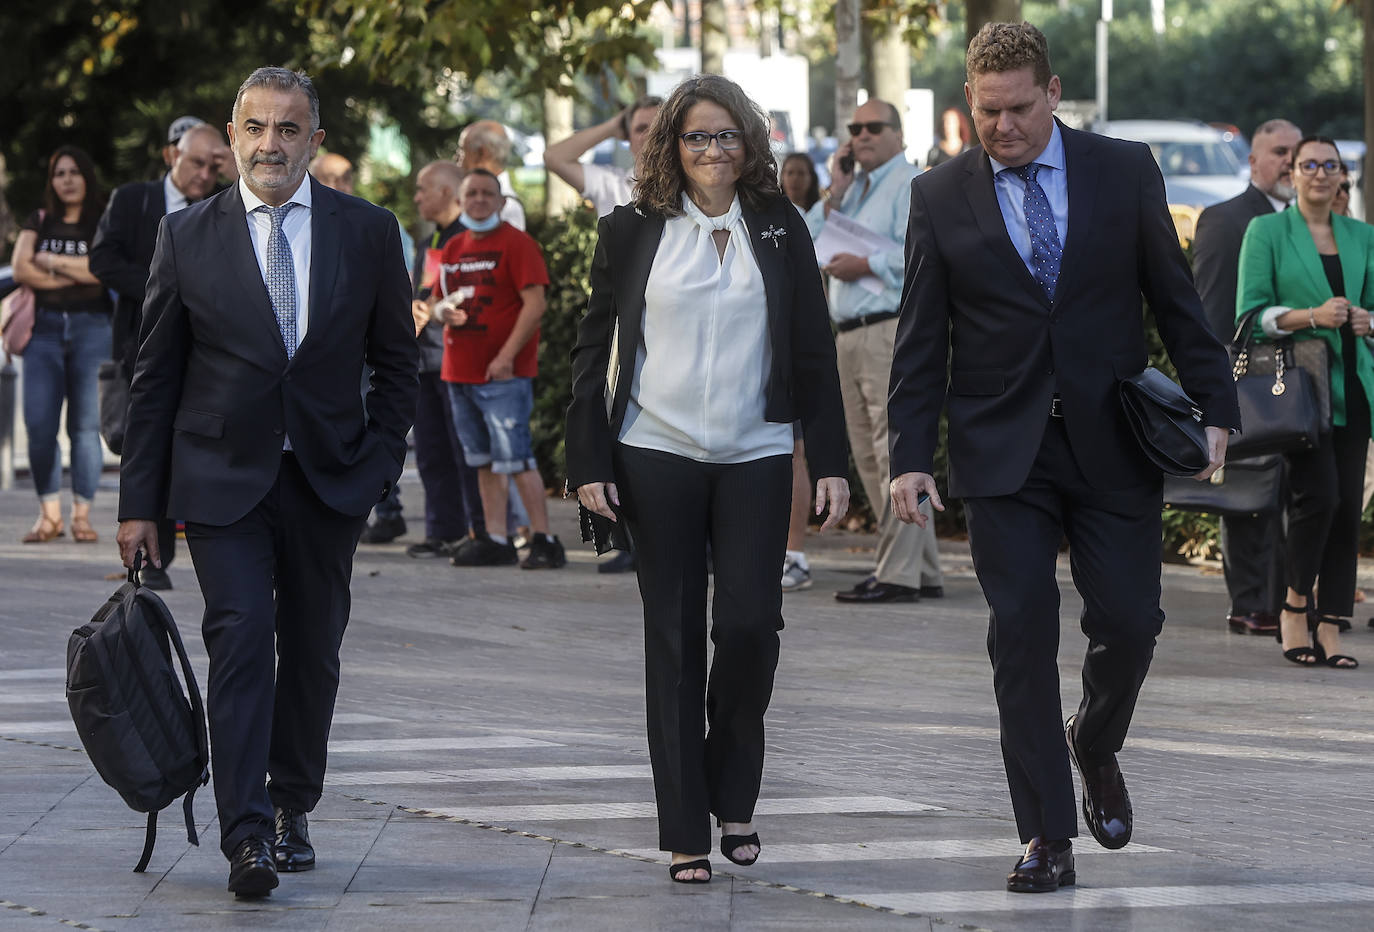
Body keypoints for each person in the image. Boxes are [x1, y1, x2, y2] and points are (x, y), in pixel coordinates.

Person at [889, 22, 1238, 893]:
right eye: (986, 110)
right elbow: (920, 340)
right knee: (1022, 634)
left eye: (1018, 108)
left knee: (1130, 622)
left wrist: (1217, 408)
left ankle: (1097, 740)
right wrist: (908, 455)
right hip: (1001, 451)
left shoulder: (1125, 169)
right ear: (970, 100)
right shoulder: (938, 195)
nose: (1002, 127)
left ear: (1052, 92)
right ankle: (1045, 834)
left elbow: (1174, 295)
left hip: (1112, 440)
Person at [115, 67, 416, 898]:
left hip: (331, 481)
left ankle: (293, 804)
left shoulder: (368, 231)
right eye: (256, 127)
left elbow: (397, 367)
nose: (271, 144)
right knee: (241, 636)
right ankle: (244, 833)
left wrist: (380, 463)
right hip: (220, 481)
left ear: (315, 141)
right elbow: (155, 379)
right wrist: (139, 504)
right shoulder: (188, 236)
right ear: (232, 135)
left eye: (289, 129)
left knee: (313, 649)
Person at [567, 74, 849, 884]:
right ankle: (688, 826)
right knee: (675, 637)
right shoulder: (630, 229)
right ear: (672, 147)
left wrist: (827, 461)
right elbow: (596, 350)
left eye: (727, 136)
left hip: (756, 453)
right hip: (655, 452)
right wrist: (586, 462)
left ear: (749, 143)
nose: (714, 151)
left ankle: (736, 788)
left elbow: (810, 349)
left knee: (753, 627)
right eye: (697, 137)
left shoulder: (779, 227)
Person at [1237, 136, 1374, 671]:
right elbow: (1251, 315)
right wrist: (1312, 315)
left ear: (1343, 176)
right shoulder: (1267, 231)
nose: (1320, 173)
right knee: (1318, 497)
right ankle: (1295, 606)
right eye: (1308, 164)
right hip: (1299, 390)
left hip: (1355, 390)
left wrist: (1366, 321)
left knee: (1345, 508)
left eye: (1330, 165)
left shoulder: (1362, 236)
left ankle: (1332, 622)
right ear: (1292, 174)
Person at [805, 98, 944, 604]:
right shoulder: (855, 189)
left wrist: (867, 266)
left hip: (887, 329)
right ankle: (922, 570)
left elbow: (922, 255)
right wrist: (835, 193)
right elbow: (808, 244)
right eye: (854, 128)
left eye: (872, 127)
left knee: (892, 454)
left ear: (898, 135)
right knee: (867, 454)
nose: (860, 136)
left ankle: (897, 573)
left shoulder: (909, 183)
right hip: (847, 332)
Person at [90, 120, 226, 587]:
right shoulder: (133, 200)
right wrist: (157, 290)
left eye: (214, 165)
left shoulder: (220, 208)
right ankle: (151, 556)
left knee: (183, 441)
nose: (204, 174)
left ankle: (174, 550)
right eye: (196, 163)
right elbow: (102, 258)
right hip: (140, 342)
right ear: (172, 156)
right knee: (146, 438)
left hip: (202, 350)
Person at [1192, 119, 1302, 637]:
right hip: (1246, 381)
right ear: (1253, 161)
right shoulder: (1226, 219)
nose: (1289, 161)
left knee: (1294, 494)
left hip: (1303, 383)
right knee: (1249, 495)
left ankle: (1290, 600)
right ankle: (1251, 602)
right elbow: (1211, 315)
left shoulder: (1309, 222)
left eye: (1296, 152)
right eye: (1279, 151)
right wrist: (1217, 390)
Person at [434, 168, 564, 570]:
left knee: (517, 458)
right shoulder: (453, 246)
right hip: (459, 371)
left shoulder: (517, 244)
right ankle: (494, 538)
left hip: (503, 374)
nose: (478, 200)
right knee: (483, 460)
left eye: (487, 194)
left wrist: (507, 355)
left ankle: (544, 538)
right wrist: (443, 313)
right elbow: (436, 302)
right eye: (471, 193)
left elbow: (536, 304)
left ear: (501, 201)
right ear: (460, 200)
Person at [10, 146, 111, 545]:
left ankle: (82, 516)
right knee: (39, 425)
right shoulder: (38, 219)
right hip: (43, 331)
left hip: (93, 329)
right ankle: (49, 515)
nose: (66, 180)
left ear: (87, 176)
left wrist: (50, 262)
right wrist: (76, 274)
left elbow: (104, 272)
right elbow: (20, 268)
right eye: (59, 174)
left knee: (85, 428)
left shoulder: (103, 220)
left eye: (73, 172)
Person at [407, 159, 485, 556]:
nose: (417, 197)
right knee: (432, 451)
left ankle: (477, 531)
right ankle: (442, 529)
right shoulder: (430, 241)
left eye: (423, 189)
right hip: (424, 361)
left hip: (458, 359)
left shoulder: (472, 237)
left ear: (444, 191)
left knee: (464, 450)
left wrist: (431, 308)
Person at [778, 149, 824, 591]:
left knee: (796, 452)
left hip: (803, 348)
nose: (792, 178)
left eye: (800, 172)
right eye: (786, 171)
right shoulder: (764, 217)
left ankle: (794, 553)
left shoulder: (814, 218)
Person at [543, 95, 662, 218]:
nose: (650, 135)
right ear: (628, 139)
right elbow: (553, 157)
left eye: (657, 128)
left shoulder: (682, 184)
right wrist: (613, 126)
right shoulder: (610, 183)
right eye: (641, 128)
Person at [455, 121, 526, 230]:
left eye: (463, 150)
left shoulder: (507, 205)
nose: (457, 158)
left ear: (482, 152)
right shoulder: (497, 198)